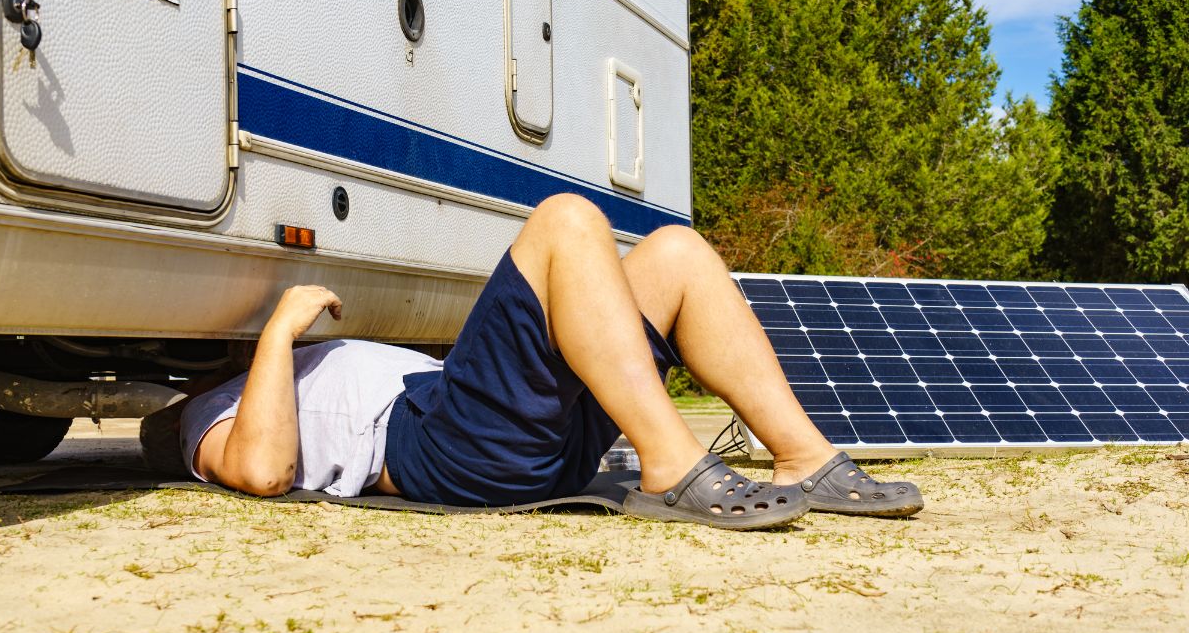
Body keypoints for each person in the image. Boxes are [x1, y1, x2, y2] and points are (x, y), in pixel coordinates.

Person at [180, 194, 923, 530]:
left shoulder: (255, 387)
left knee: (676, 252)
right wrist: (278, 331)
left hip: (519, 438)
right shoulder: (202, 418)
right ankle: (671, 465)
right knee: (564, 220)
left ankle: (802, 456)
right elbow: (263, 472)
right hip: (451, 451)